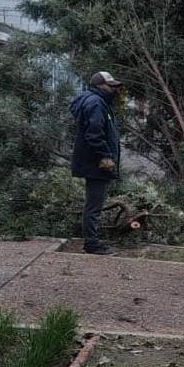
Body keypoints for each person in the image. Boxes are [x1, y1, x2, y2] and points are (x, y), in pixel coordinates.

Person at [70, 71, 123, 256]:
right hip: (97, 163)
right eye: (111, 86)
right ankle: (92, 244)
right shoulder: (96, 103)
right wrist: (105, 156)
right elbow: (94, 134)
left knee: (93, 204)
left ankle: (92, 240)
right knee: (94, 205)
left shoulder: (97, 101)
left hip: (93, 162)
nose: (115, 89)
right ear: (101, 86)